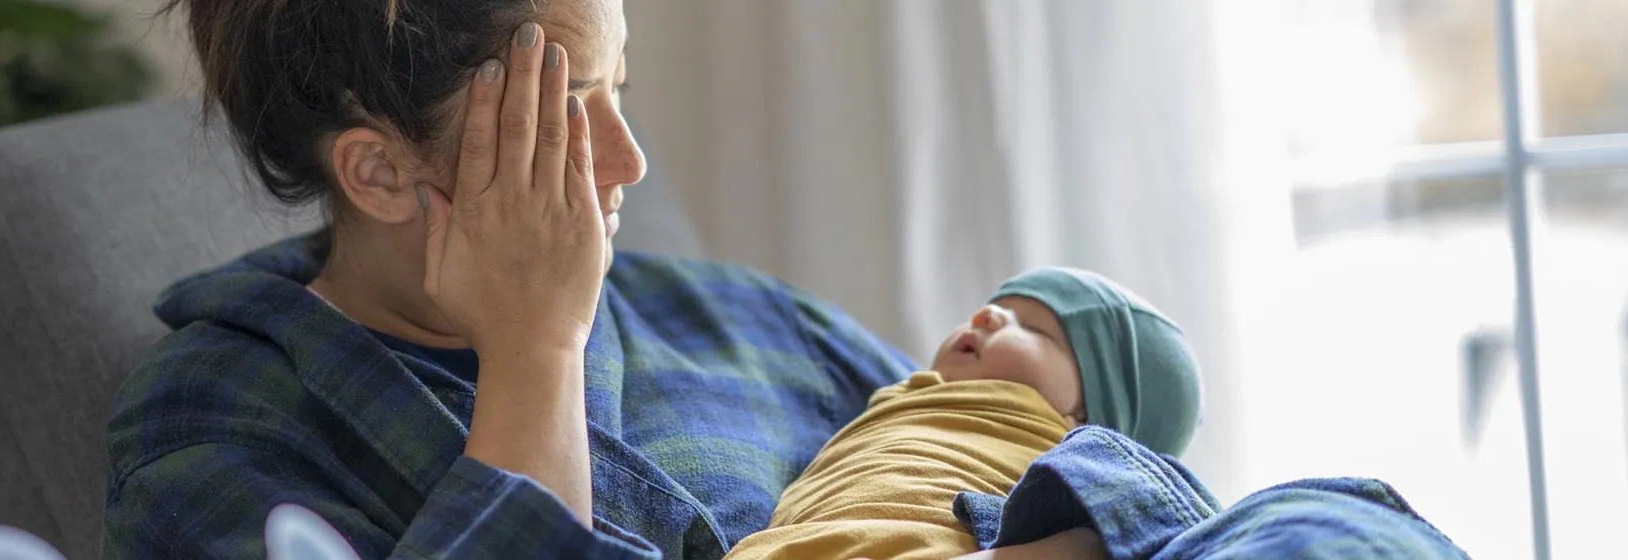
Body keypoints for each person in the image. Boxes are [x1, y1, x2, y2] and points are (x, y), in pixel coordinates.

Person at [103, 0, 935, 557]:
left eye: (622, 88)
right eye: (567, 112)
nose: (630, 161)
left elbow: (1020, 430)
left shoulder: (745, 319)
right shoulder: (208, 427)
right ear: (381, 171)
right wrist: (535, 351)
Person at [726, 267, 1203, 560]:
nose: (987, 316)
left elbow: (1127, 519)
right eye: (995, 307)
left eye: (1034, 328)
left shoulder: (1077, 447)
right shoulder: (902, 394)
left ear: (1086, 413)